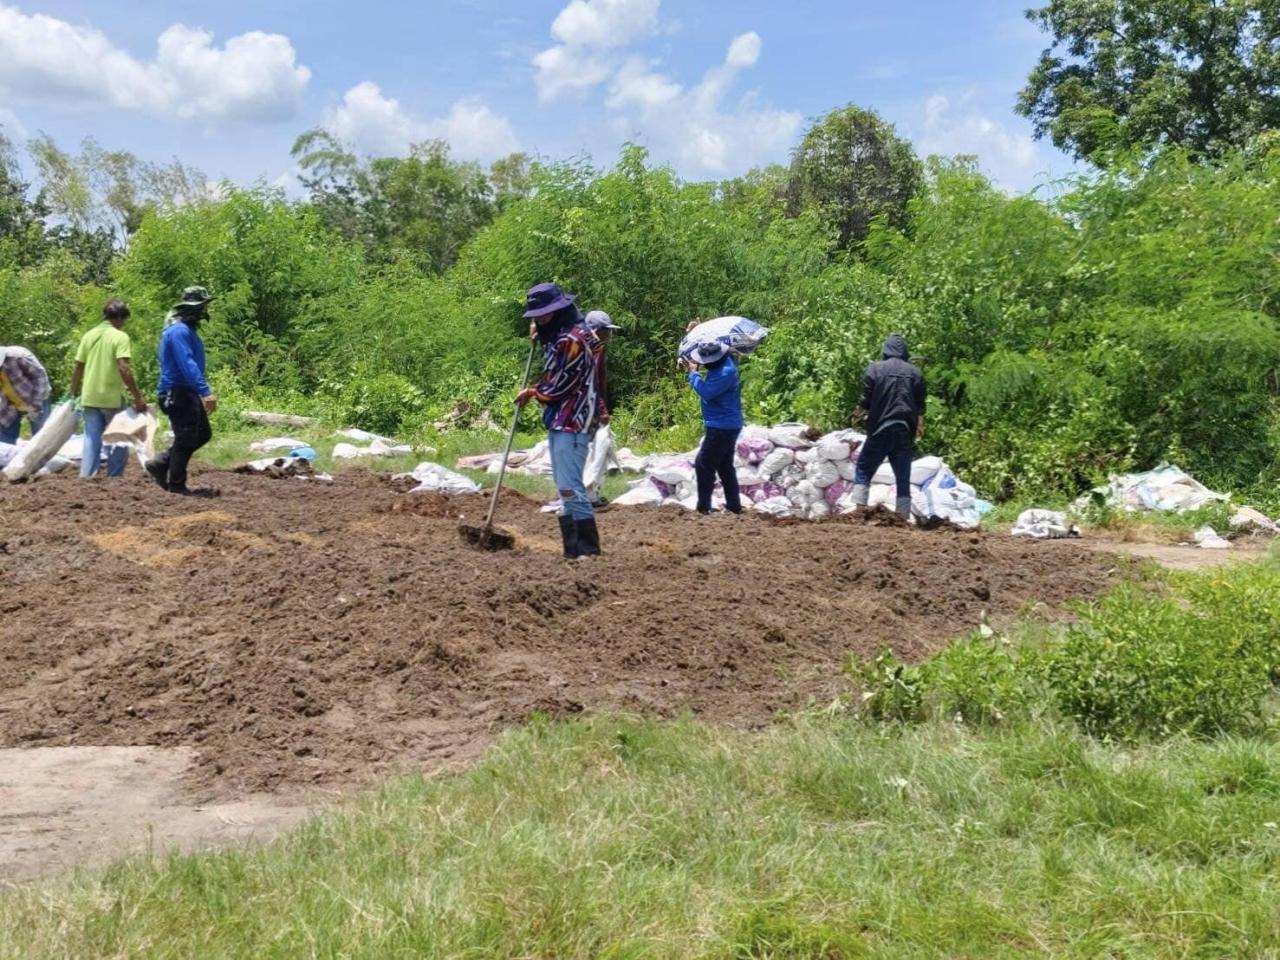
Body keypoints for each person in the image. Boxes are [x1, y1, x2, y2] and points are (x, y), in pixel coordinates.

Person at [515, 282, 602, 559]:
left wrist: (532, 392)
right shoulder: (571, 334)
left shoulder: (571, 341)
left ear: (559, 310)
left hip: (572, 421)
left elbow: (561, 385)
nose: (540, 319)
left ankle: (587, 550)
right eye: (537, 316)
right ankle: (574, 552)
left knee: (569, 486)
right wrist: (540, 336)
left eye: (544, 314)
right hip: (564, 421)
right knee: (565, 487)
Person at [147, 287, 217, 495]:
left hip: (186, 391)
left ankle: (161, 463)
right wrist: (205, 391)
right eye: (203, 306)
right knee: (185, 438)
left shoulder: (186, 331)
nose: (205, 311)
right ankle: (177, 485)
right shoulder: (179, 332)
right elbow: (187, 363)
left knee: (203, 434)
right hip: (177, 392)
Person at [850, 334, 926, 518]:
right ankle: (903, 515)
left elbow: (866, 400)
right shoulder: (915, 373)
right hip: (904, 429)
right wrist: (919, 425)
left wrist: (856, 415)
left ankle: (860, 510)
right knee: (903, 475)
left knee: (863, 468)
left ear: (885, 350)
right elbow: (920, 406)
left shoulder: (875, 370)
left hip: (880, 428)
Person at [70, 299, 148, 479]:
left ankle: (86, 478)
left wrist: (73, 391)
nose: (123, 324)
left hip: (89, 396)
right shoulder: (120, 337)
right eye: (124, 320)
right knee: (120, 437)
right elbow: (123, 368)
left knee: (91, 438)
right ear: (119, 318)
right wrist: (138, 396)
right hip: (111, 396)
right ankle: (114, 478)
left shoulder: (89, 335)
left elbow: (78, 366)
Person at [682, 341, 743, 515]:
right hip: (727, 423)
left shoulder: (725, 373)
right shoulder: (727, 361)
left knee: (703, 464)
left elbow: (706, 392)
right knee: (724, 466)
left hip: (721, 425)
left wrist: (693, 374)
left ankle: (703, 507)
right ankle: (734, 506)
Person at [582, 309, 621, 506]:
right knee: (594, 450)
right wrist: (601, 409)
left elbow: (601, 380)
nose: (608, 335)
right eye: (605, 331)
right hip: (585, 407)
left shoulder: (599, 348)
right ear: (595, 330)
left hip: (593, 405)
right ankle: (588, 495)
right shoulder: (589, 350)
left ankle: (590, 492)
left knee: (597, 448)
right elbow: (590, 383)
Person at [0, 346, 51, 445]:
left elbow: (40, 377)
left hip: (36, 399)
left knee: (42, 436)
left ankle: (43, 459)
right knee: (5, 440)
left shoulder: (18, 356)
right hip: (9, 405)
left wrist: (35, 404)